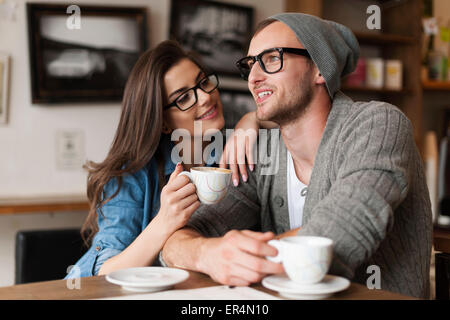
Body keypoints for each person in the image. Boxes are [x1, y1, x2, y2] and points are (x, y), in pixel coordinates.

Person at [160, 13, 433, 299]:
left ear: (318, 69)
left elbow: (335, 236)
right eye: (250, 65)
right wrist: (207, 253)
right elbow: (177, 241)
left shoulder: (379, 124)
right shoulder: (263, 153)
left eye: (272, 58)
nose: (253, 78)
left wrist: (234, 256)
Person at [65, 40, 230, 278]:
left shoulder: (237, 149)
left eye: (203, 82)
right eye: (183, 98)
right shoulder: (132, 174)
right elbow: (99, 275)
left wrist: (253, 120)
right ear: (162, 121)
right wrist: (165, 221)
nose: (205, 97)